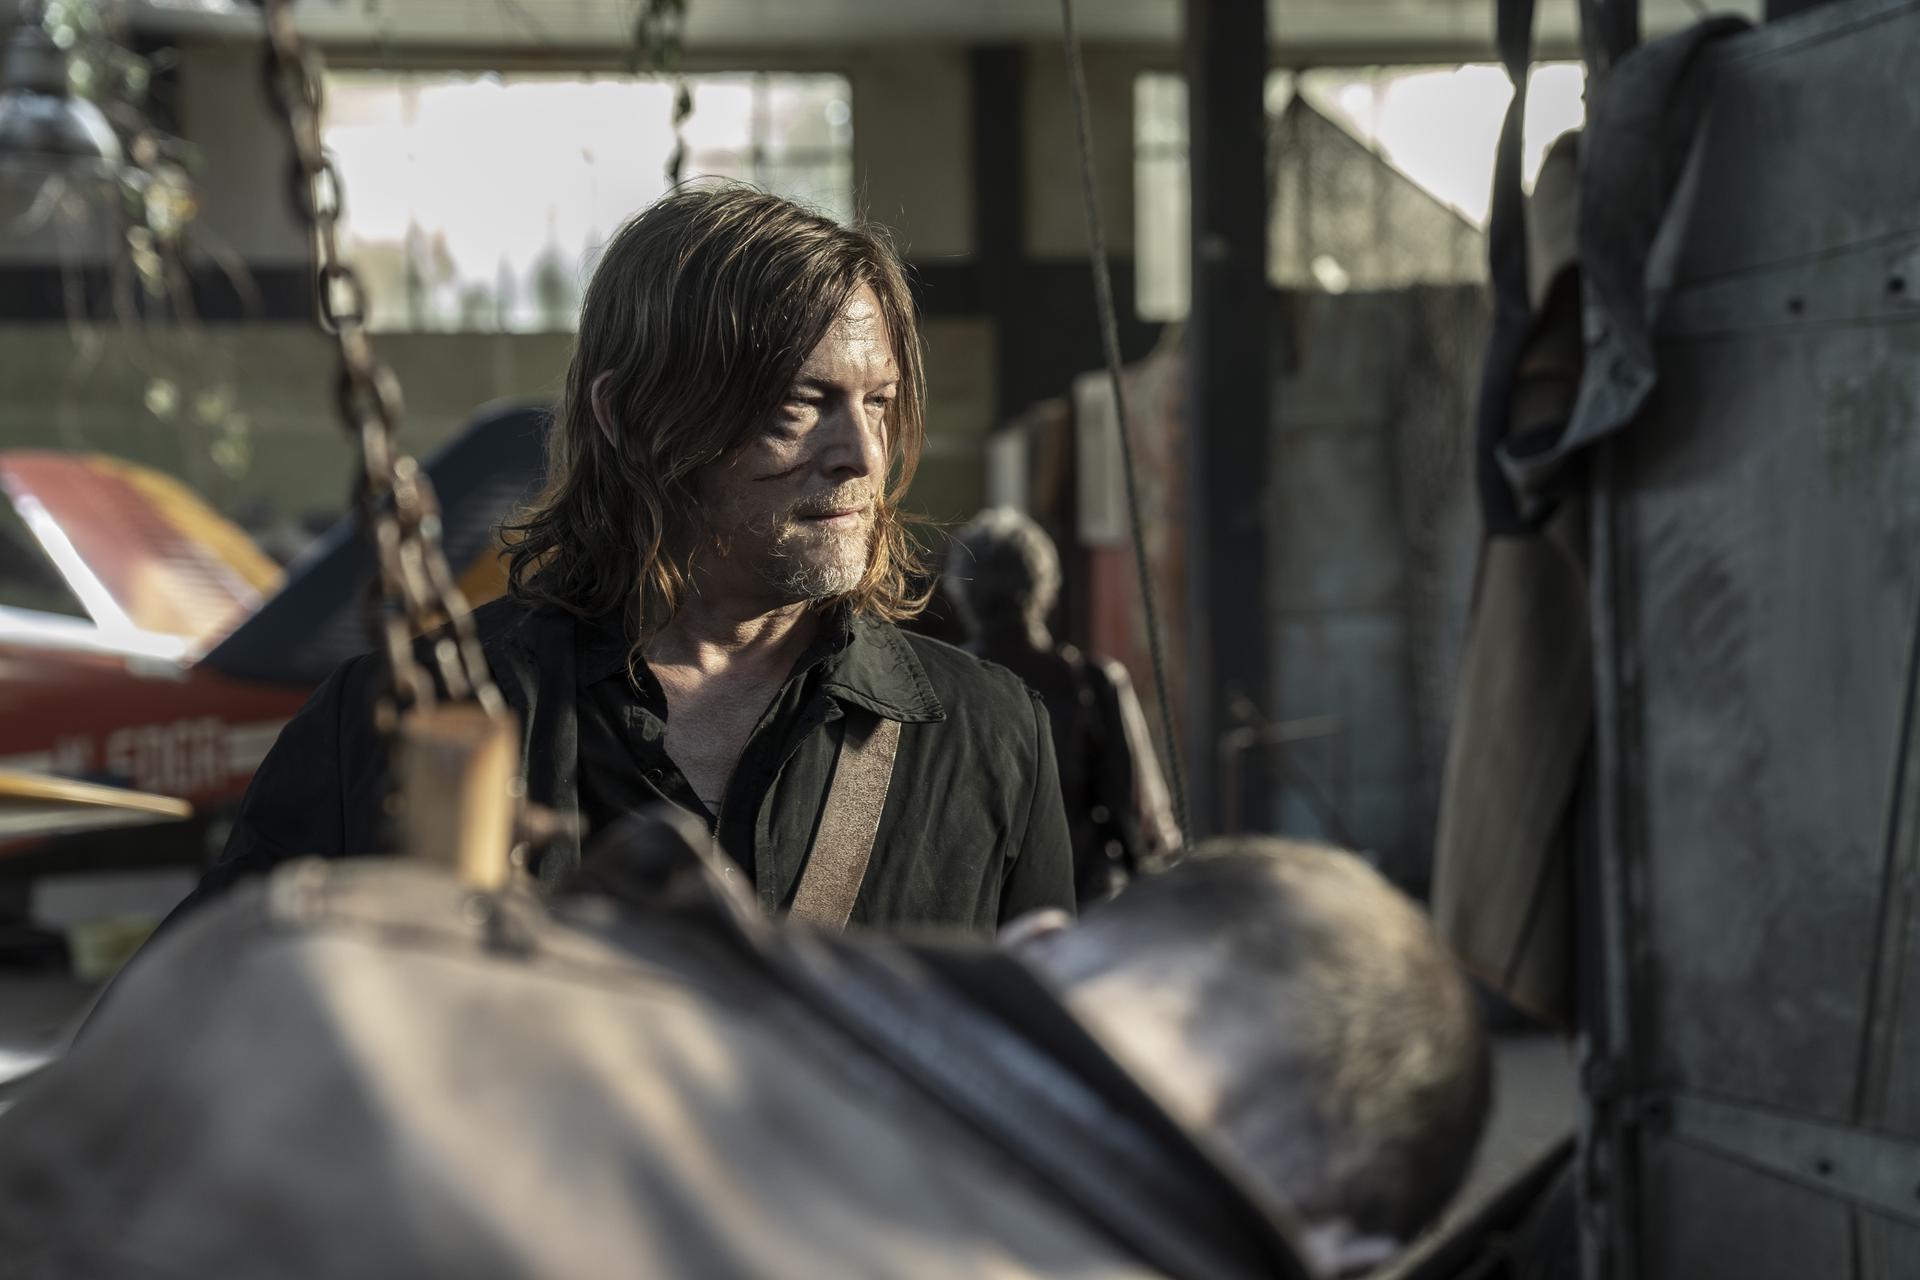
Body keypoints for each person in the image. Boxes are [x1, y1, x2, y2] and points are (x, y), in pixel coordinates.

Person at [0, 815, 1489, 1279]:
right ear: (1350, 1259)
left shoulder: (330, 963)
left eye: (879, 405)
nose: (848, 450)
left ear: (1043, 934)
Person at [176, 185, 1074, 934]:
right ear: (631, 417)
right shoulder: (402, 728)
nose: (863, 455)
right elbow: (183, 1031)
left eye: (878, 403)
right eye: (801, 404)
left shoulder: (988, 736)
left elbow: (1056, 1068)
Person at [945, 507, 1181, 903]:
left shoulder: (940, 684)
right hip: (1080, 905)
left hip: (975, 905)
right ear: (1047, 587)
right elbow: (1140, 817)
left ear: (962, 592)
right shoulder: (1093, 682)